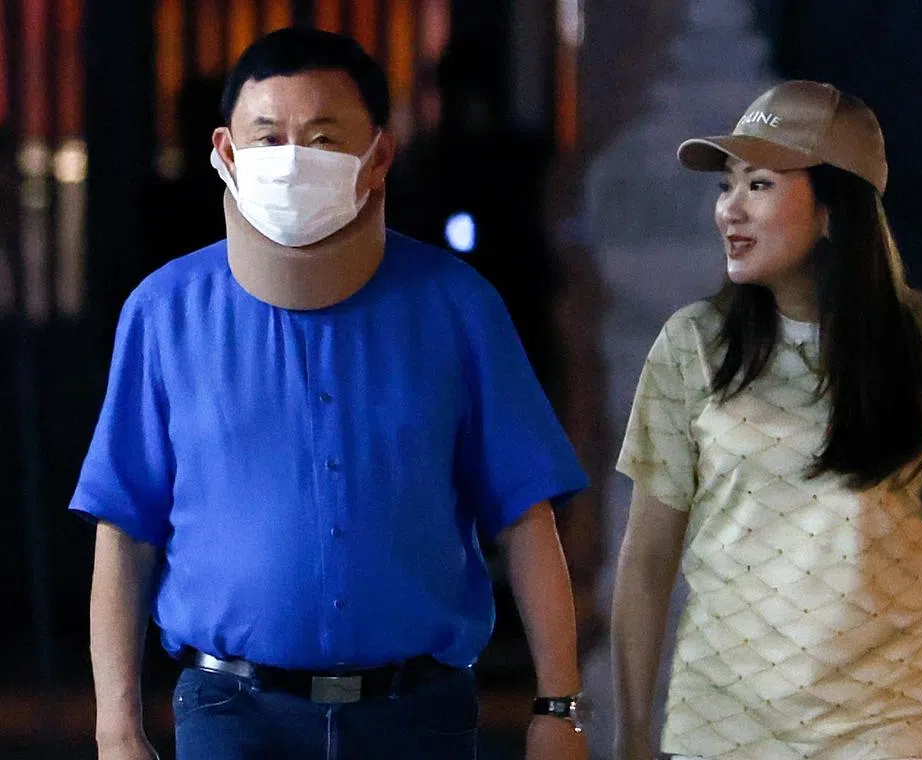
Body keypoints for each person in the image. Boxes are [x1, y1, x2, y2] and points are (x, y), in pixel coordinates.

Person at [72, 28, 590, 760]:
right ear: (225, 152)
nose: (290, 161)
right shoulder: (164, 314)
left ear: (377, 154)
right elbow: (124, 528)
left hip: (419, 712)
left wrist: (558, 706)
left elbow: (524, 514)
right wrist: (116, 728)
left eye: (320, 138)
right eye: (268, 136)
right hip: (233, 713)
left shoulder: (457, 307)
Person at [611, 80, 922, 760]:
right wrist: (628, 739)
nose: (729, 211)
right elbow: (647, 560)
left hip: (885, 732)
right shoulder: (691, 344)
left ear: (836, 210)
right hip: (718, 733)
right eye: (726, 186)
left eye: (760, 185)